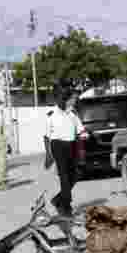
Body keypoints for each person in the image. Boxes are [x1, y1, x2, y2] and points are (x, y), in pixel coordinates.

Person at [44, 87, 85, 216]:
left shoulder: (73, 114)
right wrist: (48, 155)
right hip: (58, 146)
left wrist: (84, 136)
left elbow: (80, 130)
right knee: (64, 176)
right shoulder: (52, 113)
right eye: (73, 98)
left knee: (76, 174)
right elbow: (46, 136)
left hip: (71, 145)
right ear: (66, 99)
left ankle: (58, 199)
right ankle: (66, 207)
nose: (75, 100)